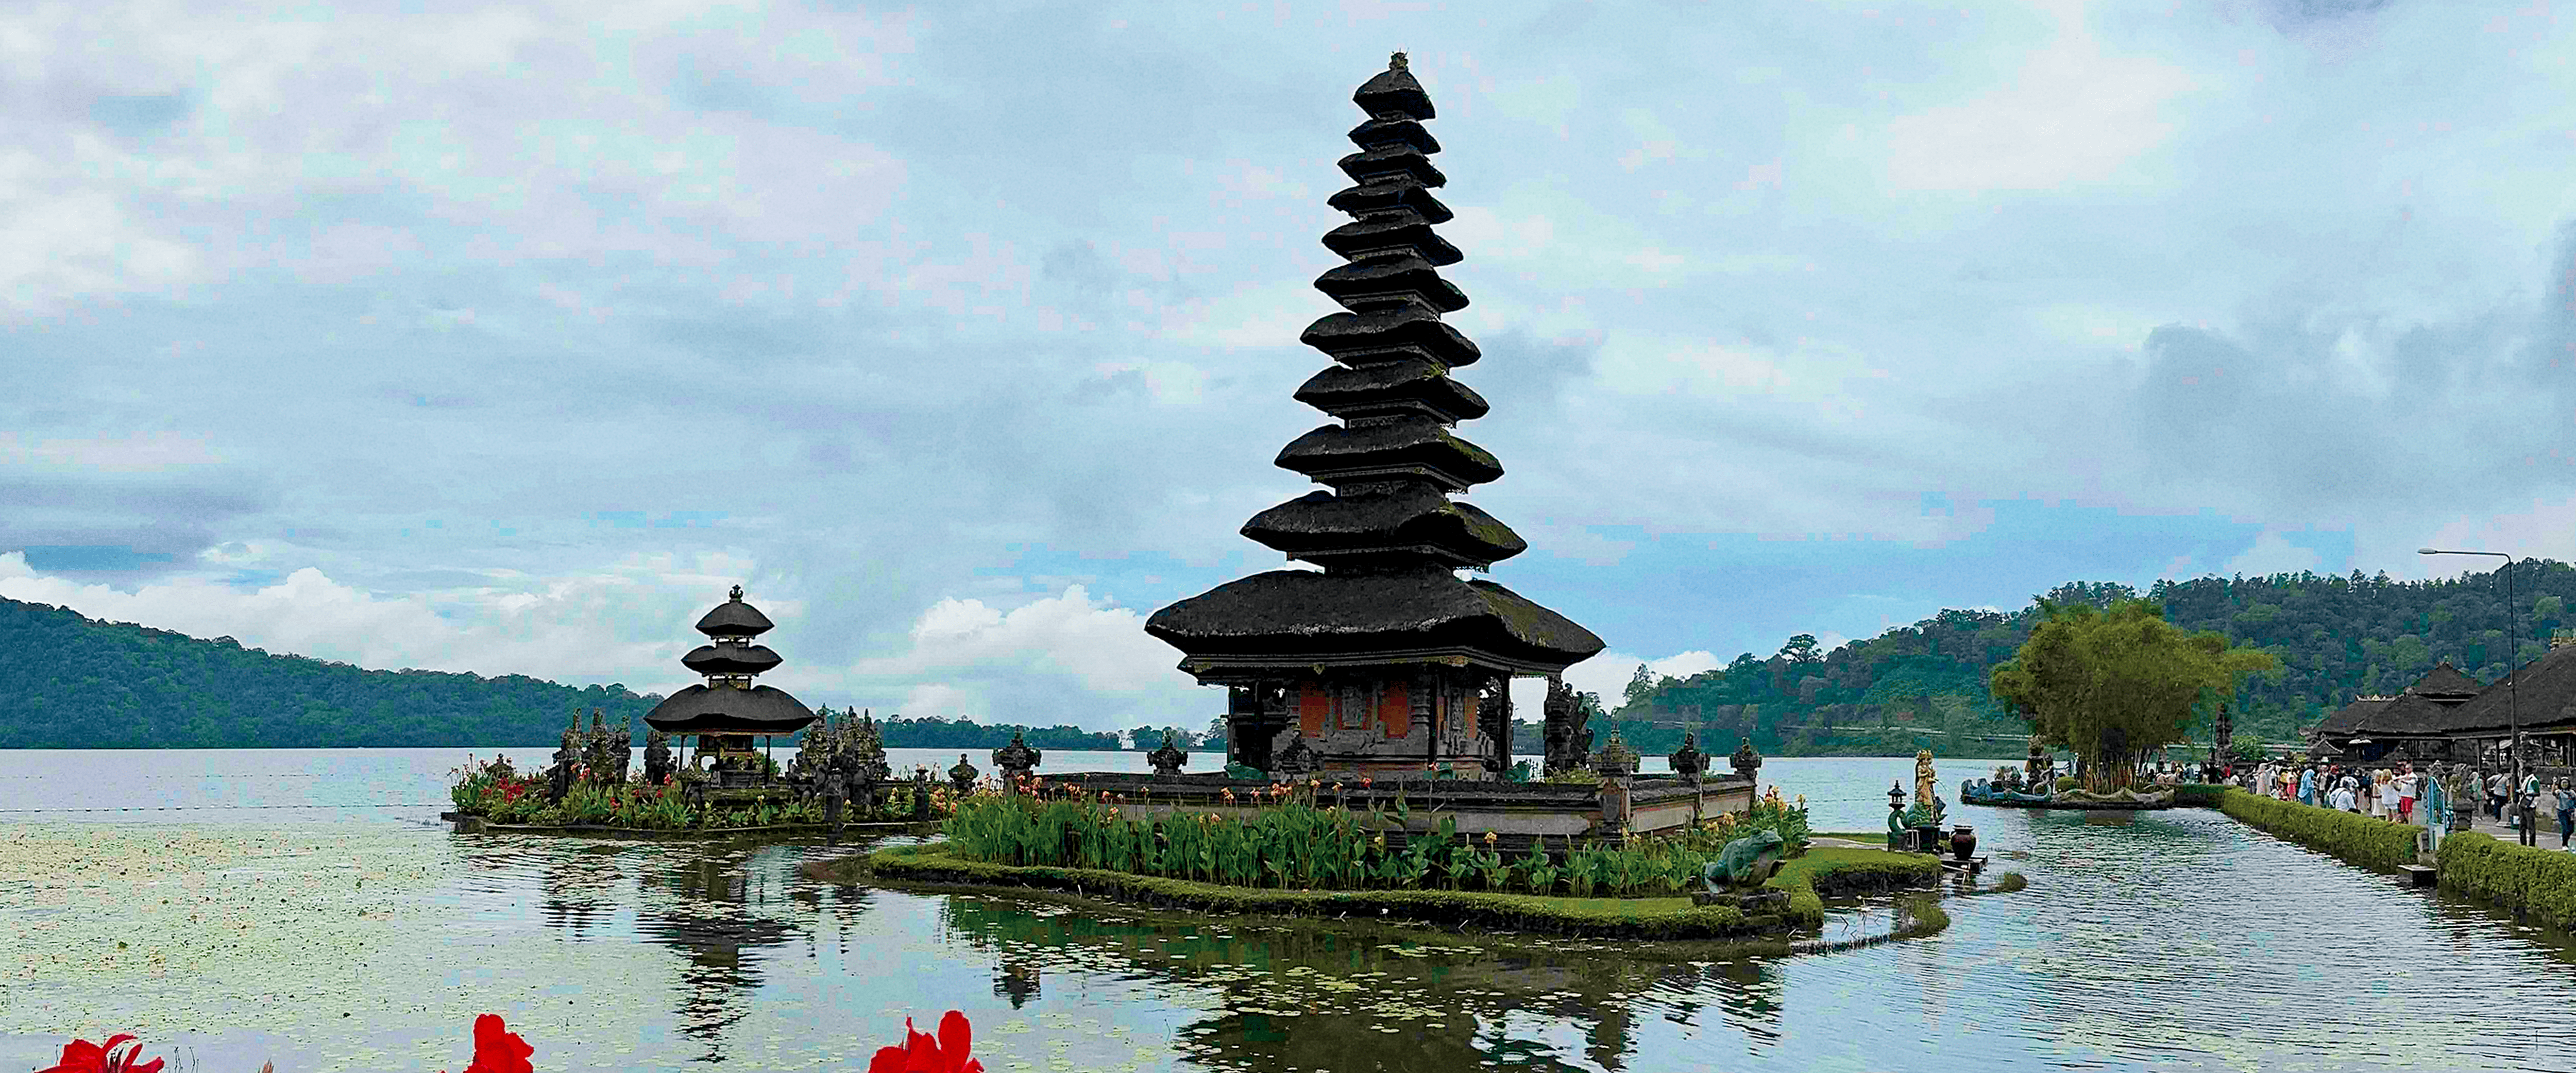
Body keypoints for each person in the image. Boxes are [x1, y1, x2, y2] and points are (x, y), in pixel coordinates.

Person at [2553, 777, 2574, 850]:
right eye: (2563, 783)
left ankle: (2566, 839)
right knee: (2565, 827)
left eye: (2566, 783)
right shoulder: (2559, 792)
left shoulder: (2572, 792)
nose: (2565, 785)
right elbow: (2554, 793)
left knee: (2571, 829)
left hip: (2570, 812)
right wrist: (2554, 783)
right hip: (2561, 811)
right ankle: (2564, 844)